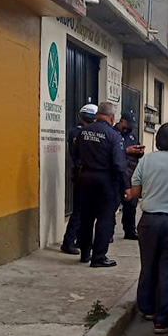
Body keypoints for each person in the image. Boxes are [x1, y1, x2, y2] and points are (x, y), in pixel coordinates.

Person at [125, 123, 168, 333]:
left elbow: (135, 192)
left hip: (149, 221)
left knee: (149, 264)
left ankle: (147, 308)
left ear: (158, 140)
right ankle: (163, 319)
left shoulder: (146, 160)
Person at [75, 101, 127, 268]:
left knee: (86, 218)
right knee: (105, 218)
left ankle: (84, 253)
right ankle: (98, 257)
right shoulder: (113, 136)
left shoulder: (83, 132)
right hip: (106, 181)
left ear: (97, 115)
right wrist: (126, 186)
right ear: (111, 118)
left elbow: (75, 154)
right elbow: (119, 164)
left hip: (85, 178)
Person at [61, 103, 98, 255]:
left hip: (80, 174)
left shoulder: (77, 132)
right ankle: (68, 241)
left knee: (82, 210)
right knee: (79, 211)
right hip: (82, 175)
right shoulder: (80, 133)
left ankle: (76, 239)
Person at [116, 112, 145, 240]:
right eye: (128, 123)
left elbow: (136, 153)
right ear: (121, 121)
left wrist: (139, 152)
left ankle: (130, 231)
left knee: (131, 204)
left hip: (130, 175)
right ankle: (108, 233)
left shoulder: (131, 136)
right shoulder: (114, 134)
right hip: (116, 175)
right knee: (112, 204)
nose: (130, 127)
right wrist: (126, 151)